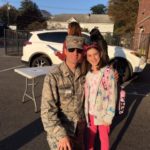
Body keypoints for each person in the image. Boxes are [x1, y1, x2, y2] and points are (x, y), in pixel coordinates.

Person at [41, 35, 86, 150]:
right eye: (71, 49)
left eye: (79, 50)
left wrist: (112, 75)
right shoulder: (53, 76)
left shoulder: (85, 73)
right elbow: (47, 111)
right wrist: (61, 135)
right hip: (61, 133)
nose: (75, 53)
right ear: (65, 51)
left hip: (80, 131)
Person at [84, 42, 117, 150]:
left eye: (95, 54)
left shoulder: (108, 72)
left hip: (103, 113)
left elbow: (113, 96)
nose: (93, 58)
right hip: (91, 112)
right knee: (91, 136)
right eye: (89, 55)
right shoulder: (88, 74)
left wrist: (109, 115)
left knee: (104, 138)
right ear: (86, 57)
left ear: (100, 54)